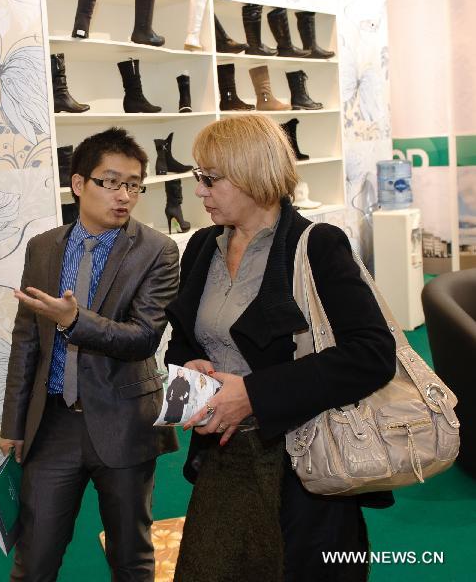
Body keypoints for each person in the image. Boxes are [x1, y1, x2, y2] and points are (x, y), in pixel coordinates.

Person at [163, 115, 396, 581]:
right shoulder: (200, 247)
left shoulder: (316, 246)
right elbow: (183, 341)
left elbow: (373, 354)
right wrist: (188, 385)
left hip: (303, 464)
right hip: (222, 461)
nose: (199, 191)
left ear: (252, 174)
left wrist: (251, 394)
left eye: (210, 179)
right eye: (197, 177)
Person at [0, 127, 180, 581]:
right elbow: (26, 341)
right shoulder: (43, 248)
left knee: (131, 554)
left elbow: (142, 337)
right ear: (79, 184)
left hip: (123, 419)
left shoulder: (158, 251)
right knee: (34, 555)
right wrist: (14, 423)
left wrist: (73, 321)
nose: (124, 196)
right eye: (111, 182)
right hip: (54, 422)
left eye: (134, 184)